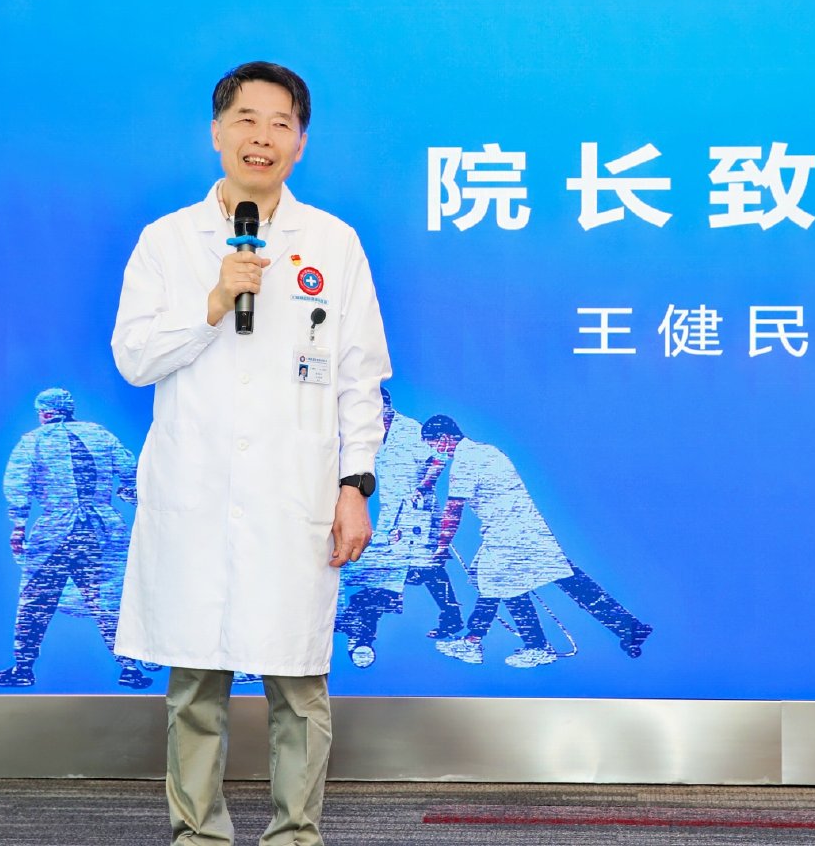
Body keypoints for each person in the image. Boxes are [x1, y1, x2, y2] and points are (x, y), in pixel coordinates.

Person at [111, 61, 391, 846]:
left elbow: (360, 378)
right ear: (216, 133)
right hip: (196, 492)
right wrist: (212, 301)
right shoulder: (168, 241)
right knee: (194, 682)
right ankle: (197, 835)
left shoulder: (332, 243)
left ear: (300, 142)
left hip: (293, 490)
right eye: (245, 120)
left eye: (279, 124)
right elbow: (133, 358)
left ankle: (295, 834)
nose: (260, 137)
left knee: (298, 684)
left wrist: (355, 484)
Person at [421, 415, 651, 668]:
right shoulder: (486, 451)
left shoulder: (465, 462)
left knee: (498, 583)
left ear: (444, 438)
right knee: (561, 581)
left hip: (508, 535)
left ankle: (495, 644)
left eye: (433, 444)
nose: (435, 451)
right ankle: (629, 627)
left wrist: (442, 545)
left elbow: (454, 508)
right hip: (523, 529)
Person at [0, 387, 150, 690]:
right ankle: (129, 668)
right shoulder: (100, 435)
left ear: (45, 412)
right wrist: (129, 494)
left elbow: (18, 483)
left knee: (36, 599)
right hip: (103, 530)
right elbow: (130, 471)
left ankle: (23, 668)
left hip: (55, 532)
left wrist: (18, 525)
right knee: (108, 599)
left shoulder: (33, 441)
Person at [335, 389, 463, 666]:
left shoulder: (410, 430)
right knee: (392, 572)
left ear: (388, 407)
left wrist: (423, 487)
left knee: (423, 566)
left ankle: (449, 615)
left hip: (416, 513)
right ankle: (360, 631)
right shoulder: (366, 433)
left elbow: (439, 459)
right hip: (389, 515)